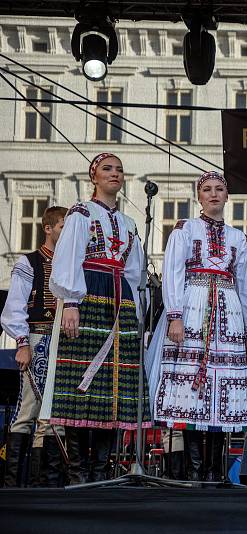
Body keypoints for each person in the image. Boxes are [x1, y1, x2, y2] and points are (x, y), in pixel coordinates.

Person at [40, 153, 150, 484]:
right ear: (94, 177)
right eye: (107, 169)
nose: (114, 174)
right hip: (88, 296)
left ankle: (102, 469)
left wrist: (137, 312)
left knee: (114, 387)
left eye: (118, 169)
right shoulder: (81, 214)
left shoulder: (129, 223)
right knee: (79, 385)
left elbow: (134, 272)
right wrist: (71, 301)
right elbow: (68, 257)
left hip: (121, 302)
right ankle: (78, 472)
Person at [146, 171, 247, 482]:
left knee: (222, 386)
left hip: (228, 312)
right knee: (191, 391)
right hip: (192, 309)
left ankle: (215, 470)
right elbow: (172, 272)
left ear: (227, 196)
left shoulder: (238, 238)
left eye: (219, 189)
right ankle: (195, 469)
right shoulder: (185, 229)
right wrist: (175, 315)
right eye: (207, 189)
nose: (213, 194)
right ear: (199, 196)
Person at [1, 206, 67, 487]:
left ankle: (47, 483)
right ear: (48, 228)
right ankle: (13, 484)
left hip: (64, 343)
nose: (67, 234)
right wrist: (22, 343)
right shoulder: (30, 263)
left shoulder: (73, 267)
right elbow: (14, 308)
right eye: (63, 227)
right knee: (27, 409)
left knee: (55, 415)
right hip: (38, 336)